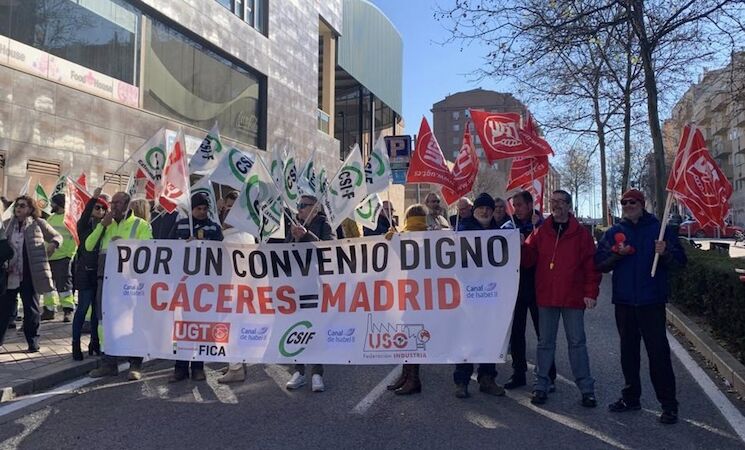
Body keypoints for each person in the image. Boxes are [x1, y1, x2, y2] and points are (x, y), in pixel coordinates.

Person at [595, 189, 686, 425]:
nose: (628, 205)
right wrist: (617, 254)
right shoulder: (614, 232)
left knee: (658, 355)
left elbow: (680, 262)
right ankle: (631, 397)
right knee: (628, 353)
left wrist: (665, 252)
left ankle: (669, 405)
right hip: (624, 302)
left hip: (651, 301)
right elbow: (600, 264)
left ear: (642, 204)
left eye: (632, 202)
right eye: (624, 202)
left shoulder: (660, 229)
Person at [522, 190, 600, 407]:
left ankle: (586, 389)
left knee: (577, 343)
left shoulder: (581, 234)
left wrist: (590, 293)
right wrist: (521, 244)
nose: (555, 205)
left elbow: (591, 267)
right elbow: (528, 260)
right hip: (547, 296)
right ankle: (541, 385)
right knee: (545, 343)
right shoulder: (540, 232)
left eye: (560, 201)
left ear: (568, 205)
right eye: (553, 201)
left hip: (573, 298)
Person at [87, 192, 153, 380]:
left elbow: (149, 248)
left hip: (130, 281)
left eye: (117, 203)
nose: (113, 206)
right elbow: (89, 245)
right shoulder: (105, 224)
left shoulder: (141, 225)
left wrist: (125, 244)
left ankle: (135, 364)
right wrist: (102, 225)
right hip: (106, 280)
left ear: (127, 204)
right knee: (104, 321)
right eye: (112, 203)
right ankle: (108, 363)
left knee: (133, 321)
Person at [452, 193, 507, 398]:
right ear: (474, 210)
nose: (484, 211)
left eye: (488, 208)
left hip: (491, 295)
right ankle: (462, 381)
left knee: (489, 337)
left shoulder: (501, 234)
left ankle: (487, 378)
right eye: (481, 208)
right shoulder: (463, 230)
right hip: (467, 295)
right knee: (466, 339)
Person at [504, 190, 556, 390]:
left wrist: (538, 228)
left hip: (537, 286)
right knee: (517, 333)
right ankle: (519, 373)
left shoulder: (543, 225)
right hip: (515, 286)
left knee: (543, 333)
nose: (516, 209)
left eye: (519, 205)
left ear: (529, 205)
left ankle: (549, 375)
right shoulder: (509, 226)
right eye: (514, 205)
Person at [169, 193, 223, 382]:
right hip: (185, 283)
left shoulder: (214, 227)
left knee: (201, 325)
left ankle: (198, 367)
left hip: (205, 284)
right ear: (192, 209)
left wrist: (202, 244)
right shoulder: (181, 225)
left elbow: (220, 250)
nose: (202, 212)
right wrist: (184, 244)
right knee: (184, 326)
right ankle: (180, 367)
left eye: (204, 209)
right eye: (198, 208)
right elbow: (168, 246)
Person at [285, 194, 334, 392]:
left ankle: (316, 373)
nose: (299, 208)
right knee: (296, 328)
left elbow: (329, 249)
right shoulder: (293, 225)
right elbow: (283, 253)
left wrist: (306, 235)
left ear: (315, 208)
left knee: (315, 329)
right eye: (298, 205)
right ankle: (298, 371)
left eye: (303, 205)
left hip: (316, 285)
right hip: (296, 285)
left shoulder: (325, 224)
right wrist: (293, 238)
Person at [0, 195, 62, 352]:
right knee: (4, 310)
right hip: (10, 274)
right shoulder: (7, 225)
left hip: (30, 274)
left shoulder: (38, 223)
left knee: (31, 310)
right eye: (17, 206)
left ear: (30, 209)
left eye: (22, 206)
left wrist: (53, 244)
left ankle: (33, 341)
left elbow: (57, 236)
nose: (18, 208)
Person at [386, 204, 428, 396]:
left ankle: (414, 379)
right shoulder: (429, 237)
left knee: (412, 337)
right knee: (409, 336)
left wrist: (395, 241)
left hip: (415, 295)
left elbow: (408, 258)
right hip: (417, 294)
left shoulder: (414, 238)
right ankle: (406, 375)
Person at [71, 189, 110, 360]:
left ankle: (95, 342)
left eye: (103, 208)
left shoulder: (107, 227)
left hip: (100, 274)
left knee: (97, 312)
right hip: (85, 273)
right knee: (82, 309)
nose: (100, 210)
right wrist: (94, 198)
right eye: (97, 207)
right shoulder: (84, 225)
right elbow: (86, 213)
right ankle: (75, 344)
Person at [41, 194, 77, 322]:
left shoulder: (69, 219)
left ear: (59, 204)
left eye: (53, 203)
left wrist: (69, 254)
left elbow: (75, 239)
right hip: (48, 257)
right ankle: (49, 310)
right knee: (47, 285)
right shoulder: (51, 218)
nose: (51, 205)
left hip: (62, 257)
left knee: (64, 286)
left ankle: (68, 310)